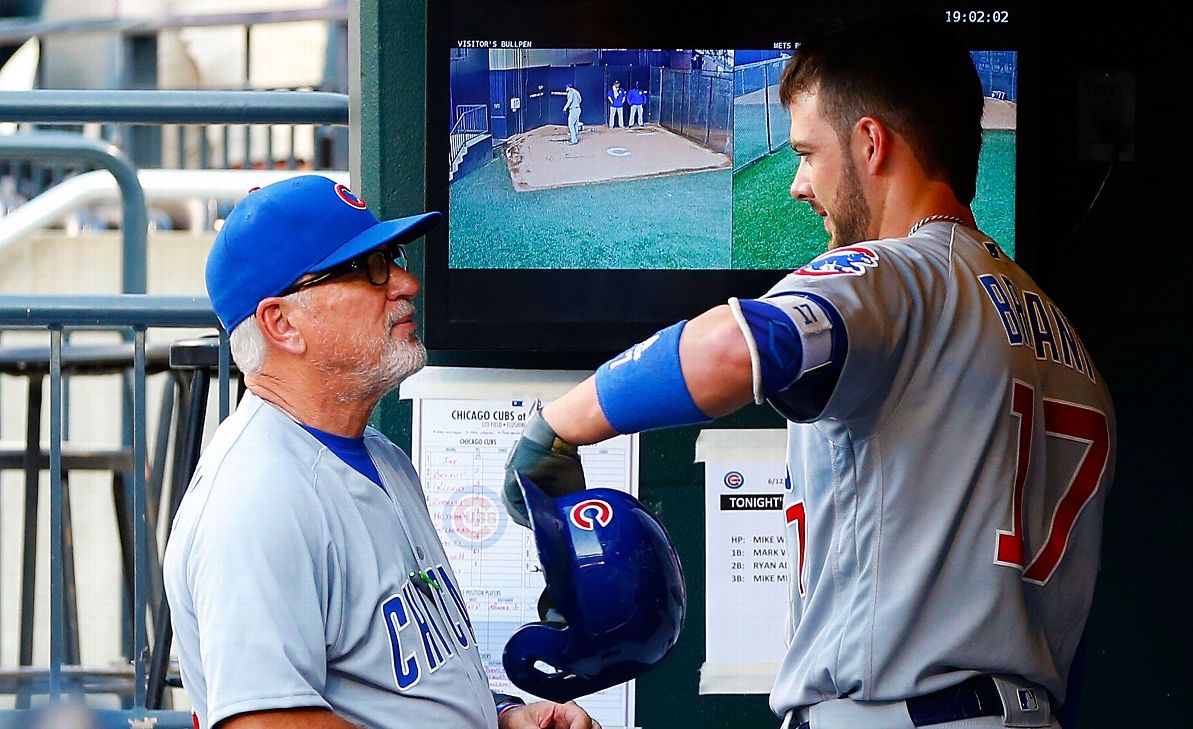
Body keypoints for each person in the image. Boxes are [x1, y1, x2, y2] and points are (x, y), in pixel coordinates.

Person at [501, 9, 1115, 729]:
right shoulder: (1065, 337)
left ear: (870, 143)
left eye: (807, 151)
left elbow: (734, 347)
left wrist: (558, 425)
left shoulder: (895, 275)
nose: (798, 183)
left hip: (896, 712)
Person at [164, 175, 600, 729]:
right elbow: (264, 722)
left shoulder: (380, 456)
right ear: (283, 323)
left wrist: (503, 717)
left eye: (391, 257)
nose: (406, 283)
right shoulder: (256, 497)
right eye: (369, 269)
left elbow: (405, 685)